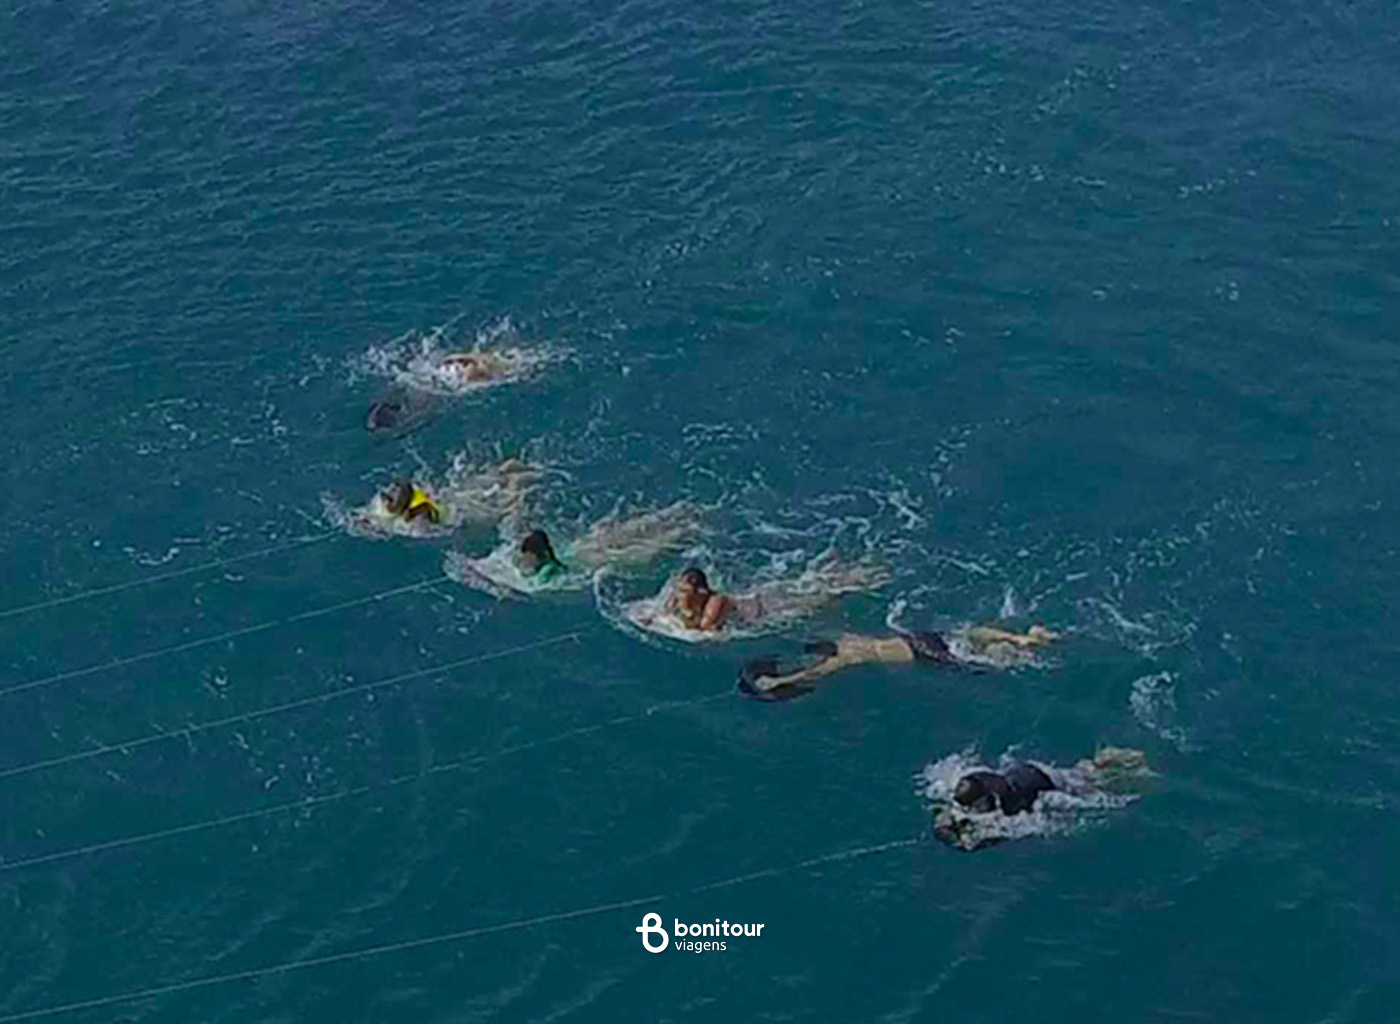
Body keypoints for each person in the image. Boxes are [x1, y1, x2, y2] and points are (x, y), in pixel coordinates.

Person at [738, 624, 1058, 697]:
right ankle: (1020, 636)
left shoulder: (845, 655)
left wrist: (778, 682)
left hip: (919, 654)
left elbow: (818, 673)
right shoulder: (846, 638)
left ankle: (1024, 647)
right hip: (916, 637)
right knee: (967, 636)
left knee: (985, 663)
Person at [932, 747, 1148, 850]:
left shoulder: (1005, 804)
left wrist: (964, 841)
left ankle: (1114, 760)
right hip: (1023, 769)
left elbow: (1002, 833)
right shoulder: (967, 780)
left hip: (1047, 781)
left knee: (1092, 782)